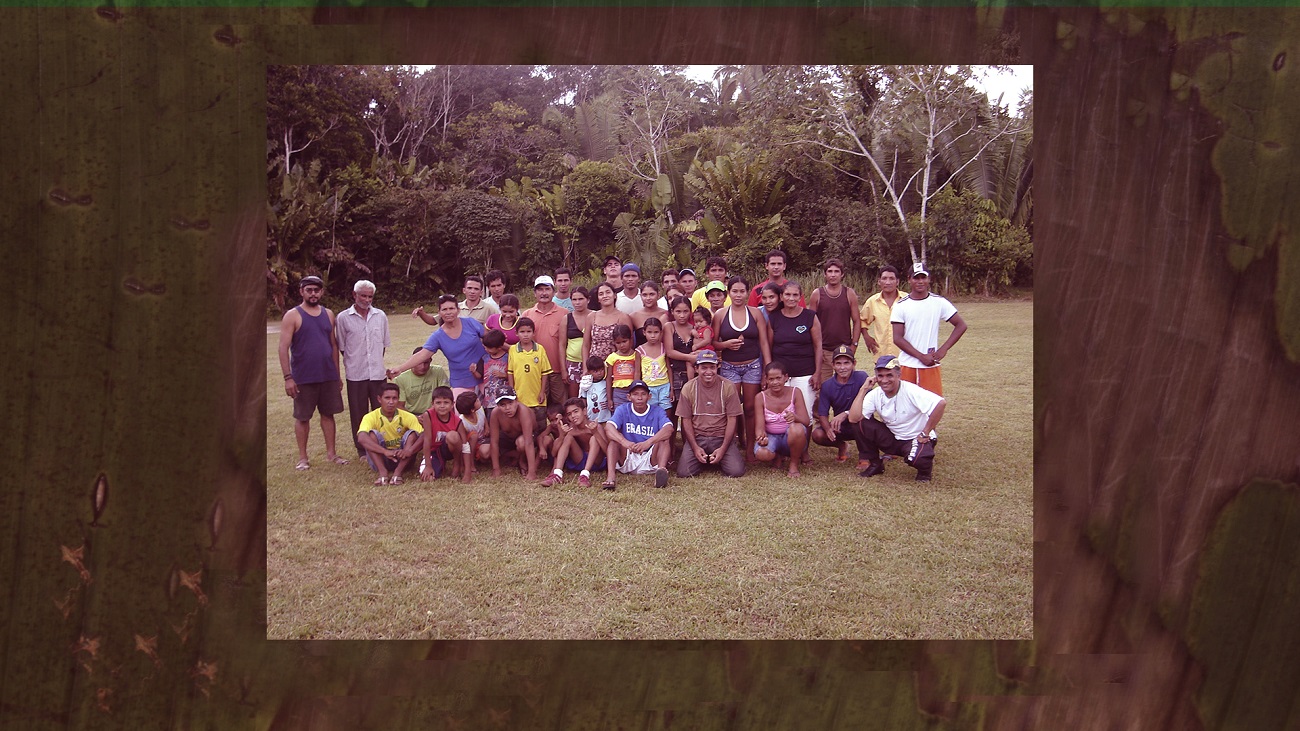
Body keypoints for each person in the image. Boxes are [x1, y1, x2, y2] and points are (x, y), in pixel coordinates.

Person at [277, 275, 349, 471]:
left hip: (327, 376)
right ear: (301, 292)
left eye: (316, 290)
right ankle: (303, 458)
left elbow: (333, 345)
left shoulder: (328, 314)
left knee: (328, 414)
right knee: (302, 417)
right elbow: (283, 348)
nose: (313, 293)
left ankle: (332, 454)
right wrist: (288, 378)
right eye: (309, 290)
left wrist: (336, 375)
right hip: (303, 377)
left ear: (321, 292)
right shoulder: (292, 315)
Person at [848, 354, 946, 482]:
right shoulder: (875, 394)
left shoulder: (910, 390)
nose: (884, 380)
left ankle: (924, 472)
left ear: (898, 375)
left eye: (889, 375)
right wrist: (863, 389)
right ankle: (875, 464)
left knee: (917, 459)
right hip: (893, 438)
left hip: (916, 438)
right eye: (880, 376)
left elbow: (940, 403)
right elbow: (853, 419)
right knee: (860, 423)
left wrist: (926, 432)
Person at [713, 275, 772, 461]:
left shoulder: (755, 313)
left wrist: (767, 370)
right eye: (734, 291)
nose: (738, 295)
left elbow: (763, 342)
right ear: (728, 293)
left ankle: (749, 449)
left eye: (742, 291)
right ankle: (731, 445)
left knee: (749, 407)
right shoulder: (721, 314)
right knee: (731, 407)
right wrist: (726, 345)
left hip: (752, 365)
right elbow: (713, 342)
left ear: (748, 293)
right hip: (729, 367)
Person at [890, 262, 968, 395]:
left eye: (923, 277)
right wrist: (920, 356)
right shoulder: (901, 305)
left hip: (931, 365)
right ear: (909, 280)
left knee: (933, 405)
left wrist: (943, 349)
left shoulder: (939, 302)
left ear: (929, 279)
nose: (920, 281)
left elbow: (961, 325)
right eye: (916, 278)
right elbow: (897, 338)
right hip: (907, 365)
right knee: (906, 407)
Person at [335, 279, 391, 459]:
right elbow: (343, 347)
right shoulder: (343, 318)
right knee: (358, 412)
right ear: (354, 295)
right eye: (363, 296)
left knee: (380, 411)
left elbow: (383, 345)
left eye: (370, 296)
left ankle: (381, 444)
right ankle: (362, 449)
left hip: (377, 373)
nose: (367, 300)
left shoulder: (380, 316)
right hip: (356, 374)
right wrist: (355, 362)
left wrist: (374, 361)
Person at [389, 294, 486, 397]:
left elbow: (490, 339)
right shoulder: (438, 336)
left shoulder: (470, 323)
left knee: (493, 408)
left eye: (451, 308)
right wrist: (400, 369)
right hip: (461, 379)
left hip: (485, 373)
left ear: (458, 310)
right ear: (439, 312)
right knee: (461, 409)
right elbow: (422, 355)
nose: (448, 312)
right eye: (444, 309)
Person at [676, 350, 746, 478]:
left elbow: (732, 419)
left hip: (720, 437)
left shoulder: (728, 386)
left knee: (736, 471)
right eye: (704, 368)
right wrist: (695, 448)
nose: (708, 372)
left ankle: (717, 457)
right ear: (696, 368)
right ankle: (703, 458)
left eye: (712, 367)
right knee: (684, 472)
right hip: (698, 437)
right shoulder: (688, 388)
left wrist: (723, 448)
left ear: (718, 367)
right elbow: (685, 420)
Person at [766, 279, 822, 428]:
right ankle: (784, 445)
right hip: (780, 374)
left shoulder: (810, 316)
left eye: (795, 295)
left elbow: (818, 346)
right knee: (782, 412)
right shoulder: (774, 318)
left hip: (805, 372)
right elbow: (769, 347)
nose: (791, 298)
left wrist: (817, 372)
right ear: (782, 297)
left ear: (800, 297)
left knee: (805, 413)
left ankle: (803, 450)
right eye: (787, 294)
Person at [604, 381, 674, 490]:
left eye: (643, 394)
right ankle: (611, 477)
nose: (639, 398)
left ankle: (661, 472)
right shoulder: (622, 409)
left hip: (650, 458)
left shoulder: (657, 411)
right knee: (614, 441)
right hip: (628, 454)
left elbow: (669, 429)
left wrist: (647, 443)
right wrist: (624, 442)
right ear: (629, 397)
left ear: (649, 396)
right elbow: (608, 427)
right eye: (635, 394)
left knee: (664, 440)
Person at [811, 344, 872, 466]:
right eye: (838, 363)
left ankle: (865, 455)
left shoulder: (862, 378)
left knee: (865, 425)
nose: (842, 367)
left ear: (854, 363)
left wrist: (846, 413)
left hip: (860, 422)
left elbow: (869, 405)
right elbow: (823, 413)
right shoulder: (828, 385)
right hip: (840, 427)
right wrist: (828, 429)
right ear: (833, 365)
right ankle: (842, 446)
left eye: (846, 363)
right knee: (817, 434)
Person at [356, 383, 422, 485]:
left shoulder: (408, 416)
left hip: (403, 460)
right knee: (371, 434)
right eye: (387, 398)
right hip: (381, 457)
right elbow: (361, 438)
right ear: (379, 399)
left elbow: (424, 435)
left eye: (394, 398)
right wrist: (385, 451)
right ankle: (383, 473)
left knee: (412, 434)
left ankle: (398, 473)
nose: (391, 402)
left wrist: (409, 450)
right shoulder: (370, 417)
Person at [522, 275, 569, 415]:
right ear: (535, 293)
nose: (544, 293)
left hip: (557, 370)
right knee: (539, 406)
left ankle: (566, 433)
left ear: (553, 291)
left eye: (547, 289)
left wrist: (564, 369)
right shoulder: (527, 314)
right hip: (536, 372)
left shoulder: (564, 314)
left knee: (562, 404)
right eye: (540, 289)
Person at [753, 361, 810, 477]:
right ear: (766, 380)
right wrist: (761, 437)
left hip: (791, 437)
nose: (775, 382)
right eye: (771, 379)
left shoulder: (795, 392)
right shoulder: (760, 397)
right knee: (762, 454)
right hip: (772, 437)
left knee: (797, 428)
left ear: (786, 377)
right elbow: (759, 427)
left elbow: (806, 421)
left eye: (778, 378)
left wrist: (795, 417)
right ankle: (777, 456)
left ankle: (793, 464)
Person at [808, 258, 861, 384]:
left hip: (844, 349)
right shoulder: (817, 294)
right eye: (830, 271)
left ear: (842, 274)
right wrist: (815, 349)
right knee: (821, 389)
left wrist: (854, 345)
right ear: (825, 274)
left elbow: (857, 321)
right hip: (823, 350)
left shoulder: (849, 293)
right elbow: (810, 323)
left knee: (847, 387)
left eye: (836, 271)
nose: (833, 274)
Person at [539, 397, 610, 488]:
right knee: (568, 437)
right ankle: (557, 475)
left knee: (594, 438)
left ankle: (584, 475)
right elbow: (553, 453)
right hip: (579, 461)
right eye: (569, 414)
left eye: (576, 411)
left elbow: (607, 452)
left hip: (596, 462)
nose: (573, 416)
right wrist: (562, 436)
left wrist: (595, 433)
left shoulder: (595, 426)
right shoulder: (571, 429)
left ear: (584, 411)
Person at [507, 316, 553, 422]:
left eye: (529, 331)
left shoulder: (540, 349)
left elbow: (544, 373)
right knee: (523, 423)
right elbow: (510, 372)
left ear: (533, 333)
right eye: (522, 332)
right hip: (520, 396)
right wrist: (512, 392)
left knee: (539, 424)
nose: (526, 334)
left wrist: (542, 392)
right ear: (516, 333)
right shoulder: (513, 350)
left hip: (537, 397)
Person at [419, 386, 469, 483]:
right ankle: (439, 465)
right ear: (432, 404)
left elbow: (465, 445)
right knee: (428, 479)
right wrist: (428, 466)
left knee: (453, 436)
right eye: (438, 403)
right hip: (434, 451)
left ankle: (457, 464)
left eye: (446, 402)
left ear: (452, 404)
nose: (442, 406)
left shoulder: (457, 421)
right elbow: (427, 440)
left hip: (448, 450)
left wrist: (467, 473)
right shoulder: (428, 415)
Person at [489, 389, 539, 480]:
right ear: (497, 406)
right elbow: (494, 442)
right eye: (502, 405)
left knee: (522, 442)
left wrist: (532, 472)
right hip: (508, 438)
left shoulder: (523, 411)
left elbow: (528, 442)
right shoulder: (495, 413)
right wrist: (496, 469)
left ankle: (523, 460)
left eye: (510, 403)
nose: (507, 408)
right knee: (486, 450)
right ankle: (515, 456)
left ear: (516, 401)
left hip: (527, 438)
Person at [582, 281, 634, 367]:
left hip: (617, 365)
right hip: (595, 367)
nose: (605, 296)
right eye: (601, 294)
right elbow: (586, 345)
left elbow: (630, 342)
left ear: (614, 295)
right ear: (598, 299)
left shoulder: (623, 317)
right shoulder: (591, 317)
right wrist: (585, 367)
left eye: (608, 292)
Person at [413, 275, 497, 327]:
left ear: (481, 292)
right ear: (464, 290)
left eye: (476, 289)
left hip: (481, 351)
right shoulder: (455, 307)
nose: (472, 291)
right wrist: (421, 313)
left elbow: (501, 325)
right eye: (469, 288)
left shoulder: (489, 309)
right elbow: (433, 321)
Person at [859, 265, 903, 358]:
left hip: (904, 355)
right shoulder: (872, 301)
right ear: (879, 281)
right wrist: (867, 337)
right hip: (881, 354)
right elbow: (862, 320)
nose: (888, 282)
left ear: (897, 281)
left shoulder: (906, 300)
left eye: (891, 278)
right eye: (884, 278)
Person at [393, 346, 449, 416]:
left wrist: (428, 414)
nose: (423, 367)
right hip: (411, 414)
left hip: (436, 412)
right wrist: (415, 418)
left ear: (430, 361)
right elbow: (400, 406)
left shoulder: (438, 371)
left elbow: (445, 396)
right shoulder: (400, 379)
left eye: (426, 363)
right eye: (419, 363)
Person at [636, 317, 673, 414]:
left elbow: (668, 368)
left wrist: (672, 388)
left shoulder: (664, 347)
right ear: (644, 332)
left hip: (664, 386)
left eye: (656, 332)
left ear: (661, 332)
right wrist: (636, 389)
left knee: (666, 412)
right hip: (648, 388)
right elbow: (637, 371)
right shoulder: (640, 350)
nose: (653, 336)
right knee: (650, 412)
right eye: (649, 332)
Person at [664, 297, 697, 402]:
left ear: (690, 312)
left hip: (695, 374)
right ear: (672, 311)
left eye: (685, 311)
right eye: (678, 311)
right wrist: (690, 357)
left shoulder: (694, 328)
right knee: (677, 409)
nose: (682, 315)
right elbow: (670, 352)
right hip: (676, 374)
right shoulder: (669, 326)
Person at [472, 329, 510, 419]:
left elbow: (516, 375)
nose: (486, 350)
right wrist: (473, 371)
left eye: (489, 348)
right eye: (485, 347)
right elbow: (479, 376)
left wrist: (504, 375)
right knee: (491, 418)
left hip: (505, 396)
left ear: (500, 347)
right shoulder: (484, 358)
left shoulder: (508, 357)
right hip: (489, 399)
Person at [563, 286, 594, 398]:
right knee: (574, 397)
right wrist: (563, 369)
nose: (577, 302)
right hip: (572, 363)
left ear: (588, 299)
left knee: (592, 395)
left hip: (592, 362)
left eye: (581, 299)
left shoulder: (595, 316)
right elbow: (561, 345)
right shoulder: (566, 318)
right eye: (574, 299)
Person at [454, 391, 492, 477]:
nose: (479, 400)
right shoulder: (462, 422)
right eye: (477, 401)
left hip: (483, 440)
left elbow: (484, 418)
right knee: (473, 435)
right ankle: (471, 465)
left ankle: (479, 458)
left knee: (486, 453)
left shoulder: (480, 410)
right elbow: (463, 441)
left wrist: (487, 427)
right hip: (470, 445)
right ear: (472, 410)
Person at [603, 324, 638, 412]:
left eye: (624, 341)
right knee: (619, 415)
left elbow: (637, 373)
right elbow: (608, 379)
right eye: (618, 343)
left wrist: (635, 391)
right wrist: (609, 398)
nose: (622, 345)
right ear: (614, 342)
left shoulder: (636, 355)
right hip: (618, 393)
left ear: (631, 339)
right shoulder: (612, 357)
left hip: (632, 391)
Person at [630, 281, 668, 346]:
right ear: (641, 296)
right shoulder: (634, 316)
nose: (648, 298)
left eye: (651, 294)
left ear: (658, 295)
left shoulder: (666, 314)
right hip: (641, 354)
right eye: (645, 295)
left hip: (663, 354)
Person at [579, 355, 612, 424]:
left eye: (601, 370)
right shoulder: (586, 384)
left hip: (605, 417)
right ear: (589, 372)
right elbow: (583, 399)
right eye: (596, 371)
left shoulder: (606, 383)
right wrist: (584, 412)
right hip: (591, 417)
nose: (599, 373)